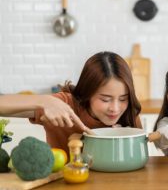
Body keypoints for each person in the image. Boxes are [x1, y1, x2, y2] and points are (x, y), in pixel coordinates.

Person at [0, 51, 142, 153]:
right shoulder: (64, 105)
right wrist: (44, 101)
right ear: (88, 92)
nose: (115, 109)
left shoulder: (129, 114)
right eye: (105, 99)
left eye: (123, 98)